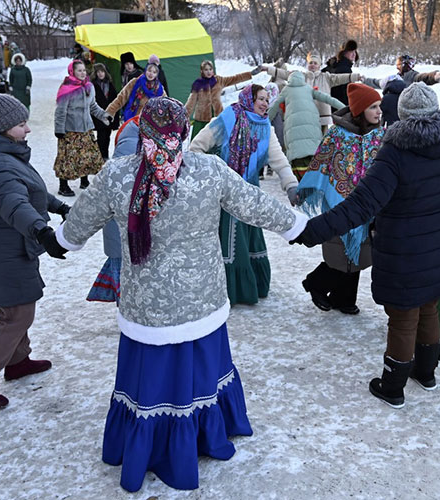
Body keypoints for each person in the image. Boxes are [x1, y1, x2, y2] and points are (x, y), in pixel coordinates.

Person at [55, 97, 306, 492]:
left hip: (146, 307)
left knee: (151, 379)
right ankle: (204, 434)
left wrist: (60, 240)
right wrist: (296, 227)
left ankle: (148, 444)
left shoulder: (117, 176)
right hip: (201, 300)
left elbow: (78, 223)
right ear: (185, 132)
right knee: (201, 370)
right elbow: (253, 203)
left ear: (142, 133)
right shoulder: (208, 171)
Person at [290, 56, 440, 409]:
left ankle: (392, 387)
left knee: (403, 320)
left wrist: (310, 230)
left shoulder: (393, 154)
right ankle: (427, 372)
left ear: (402, 114)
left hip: (405, 255)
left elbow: (359, 206)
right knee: (430, 309)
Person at [0, 88, 70, 408]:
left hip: (2, 248)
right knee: (18, 314)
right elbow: (15, 204)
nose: (28, 128)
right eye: (22, 123)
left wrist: (60, 206)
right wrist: (42, 232)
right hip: (3, 252)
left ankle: (18, 361)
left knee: (14, 309)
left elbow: (29, 190)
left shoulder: (4, 153)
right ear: (4, 127)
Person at [190, 85, 300, 305]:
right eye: (260, 98)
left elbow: (278, 160)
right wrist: (210, 174)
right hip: (226, 192)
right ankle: (230, 290)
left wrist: (291, 185)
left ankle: (251, 286)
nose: (265, 103)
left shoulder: (265, 127)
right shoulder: (227, 119)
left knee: (250, 237)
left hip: (249, 192)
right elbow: (196, 147)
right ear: (249, 99)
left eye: (267, 99)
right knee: (232, 240)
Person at [297, 83, 385, 315]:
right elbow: (321, 162)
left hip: (368, 202)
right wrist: (309, 188)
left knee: (360, 250)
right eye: (373, 107)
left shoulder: (379, 135)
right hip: (339, 202)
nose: (379, 112)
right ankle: (316, 283)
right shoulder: (337, 134)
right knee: (340, 250)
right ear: (360, 110)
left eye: (380, 106)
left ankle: (343, 298)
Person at [86, 118, 140, 304]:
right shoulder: (131, 151)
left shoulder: (134, 140)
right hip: (124, 234)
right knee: (127, 282)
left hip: (125, 237)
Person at [268, 71, 345, 179]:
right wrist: (345, 109)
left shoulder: (286, 90)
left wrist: (264, 121)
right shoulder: (308, 88)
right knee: (313, 156)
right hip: (312, 127)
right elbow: (328, 99)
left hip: (293, 129)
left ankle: (301, 182)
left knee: (297, 159)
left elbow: (274, 106)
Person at [54, 59, 113, 196]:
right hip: (70, 130)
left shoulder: (89, 87)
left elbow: (93, 106)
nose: (82, 73)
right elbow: (60, 111)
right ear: (72, 72)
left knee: (87, 156)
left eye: (84, 70)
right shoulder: (66, 88)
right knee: (68, 158)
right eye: (79, 70)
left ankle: (84, 181)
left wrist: (104, 115)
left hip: (86, 128)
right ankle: (63, 186)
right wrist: (59, 129)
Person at [263, 53, 363, 131]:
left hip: (322, 114)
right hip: (306, 113)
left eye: (315, 63)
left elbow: (341, 77)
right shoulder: (301, 76)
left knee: (322, 139)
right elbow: (284, 73)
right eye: (311, 63)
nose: (313, 65)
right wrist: (268, 69)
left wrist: (356, 76)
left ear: (319, 66)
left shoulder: (326, 77)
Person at [184, 60, 259, 140]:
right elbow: (191, 102)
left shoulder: (219, 80)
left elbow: (235, 78)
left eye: (210, 69)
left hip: (218, 116)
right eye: (206, 70)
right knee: (198, 142)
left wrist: (250, 74)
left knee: (219, 141)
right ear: (202, 71)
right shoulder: (198, 84)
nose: (209, 72)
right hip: (202, 119)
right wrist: (184, 115)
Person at [106, 56, 166, 122]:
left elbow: (166, 104)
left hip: (150, 122)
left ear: (156, 75)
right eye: (149, 70)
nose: (151, 74)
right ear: (145, 70)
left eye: (154, 72)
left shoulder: (159, 89)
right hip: (134, 120)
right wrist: (110, 111)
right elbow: (121, 98)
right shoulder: (135, 82)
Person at [90, 63, 119, 161]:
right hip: (98, 116)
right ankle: (100, 157)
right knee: (101, 137)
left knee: (107, 137)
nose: (100, 74)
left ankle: (105, 156)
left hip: (109, 115)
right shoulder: (93, 85)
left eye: (102, 71)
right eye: (98, 72)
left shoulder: (110, 84)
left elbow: (115, 100)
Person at [323, 39, 359, 104]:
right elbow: (346, 93)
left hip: (330, 104)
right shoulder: (344, 69)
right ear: (344, 52)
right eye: (351, 51)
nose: (354, 54)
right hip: (339, 107)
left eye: (355, 51)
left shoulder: (333, 64)